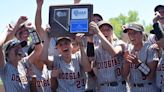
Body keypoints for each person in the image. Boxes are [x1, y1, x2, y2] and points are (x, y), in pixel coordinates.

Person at [0, 25, 42, 92]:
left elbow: (38, 49)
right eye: (15, 47)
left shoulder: (23, 63)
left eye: (20, 46)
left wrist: (32, 31)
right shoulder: (4, 67)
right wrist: (6, 30)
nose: (19, 48)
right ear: (7, 53)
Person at [89, 21, 127, 92]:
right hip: (103, 87)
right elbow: (90, 63)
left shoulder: (119, 43)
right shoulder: (96, 50)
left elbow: (114, 53)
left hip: (119, 86)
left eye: (107, 30)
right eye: (102, 30)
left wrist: (98, 32)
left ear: (112, 31)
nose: (105, 32)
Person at [122, 23, 159, 92]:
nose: (131, 36)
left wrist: (138, 63)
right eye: (129, 33)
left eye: (134, 33)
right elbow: (124, 76)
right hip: (133, 88)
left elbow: (150, 76)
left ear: (142, 34)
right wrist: (126, 63)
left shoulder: (150, 48)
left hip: (149, 87)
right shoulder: (129, 49)